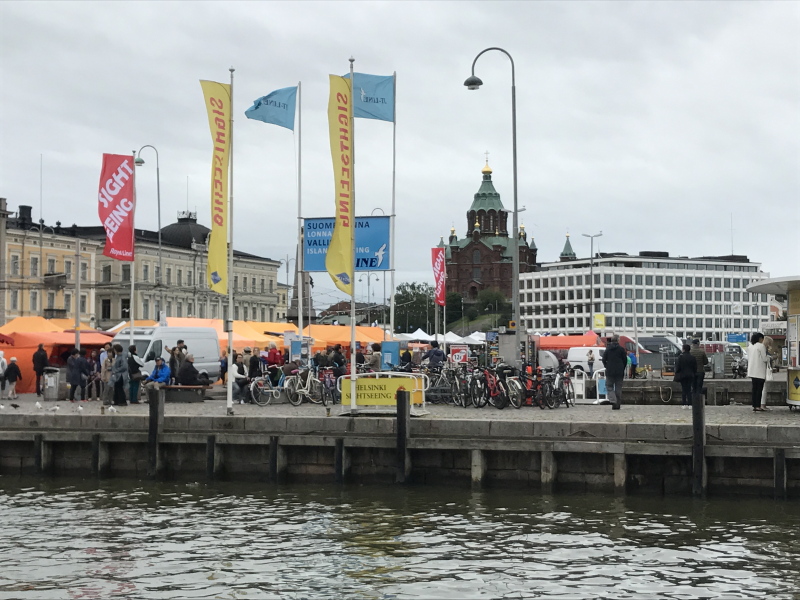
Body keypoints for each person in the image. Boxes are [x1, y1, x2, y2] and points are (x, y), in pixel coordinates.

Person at [601, 334, 627, 410]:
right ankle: (617, 405)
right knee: (618, 387)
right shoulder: (621, 349)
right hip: (619, 371)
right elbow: (625, 360)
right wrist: (622, 368)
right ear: (618, 340)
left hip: (610, 371)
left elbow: (603, 359)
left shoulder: (608, 349)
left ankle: (613, 400)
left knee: (609, 386)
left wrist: (607, 366)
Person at [747, 332, 769, 412]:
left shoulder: (750, 346)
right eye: (763, 339)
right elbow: (764, 358)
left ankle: (754, 405)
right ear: (760, 339)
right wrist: (770, 358)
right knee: (759, 389)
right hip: (759, 371)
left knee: (754, 389)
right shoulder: (761, 346)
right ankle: (758, 405)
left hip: (752, 370)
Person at [674, 344, 697, 408]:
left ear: (683, 349)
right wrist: (693, 373)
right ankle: (690, 404)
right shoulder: (692, 357)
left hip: (682, 375)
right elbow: (695, 367)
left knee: (684, 389)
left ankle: (684, 404)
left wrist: (677, 372)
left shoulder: (680, 357)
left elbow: (677, 367)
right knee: (689, 389)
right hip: (690, 375)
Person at [689, 339, 708, 404]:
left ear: (693, 344)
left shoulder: (690, 352)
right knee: (699, 386)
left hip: (692, 371)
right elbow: (706, 362)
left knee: (693, 386)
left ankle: (693, 401)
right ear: (698, 344)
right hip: (700, 371)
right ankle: (698, 401)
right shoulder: (702, 352)